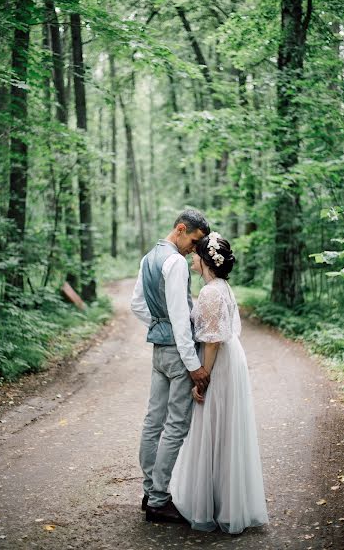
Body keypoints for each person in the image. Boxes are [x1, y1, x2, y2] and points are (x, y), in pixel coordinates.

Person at [170, 232, 269, 534]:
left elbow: (211, 341)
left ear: (205, 260)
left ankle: (214, 504)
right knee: (224, 430)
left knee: (215, 427)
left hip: (220, 362)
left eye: (196, 255)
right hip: (230, 357)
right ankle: (224, 499)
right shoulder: (220, 286)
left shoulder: (212, 292)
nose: (193, 259)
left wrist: (203, 377)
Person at [131, 209, 211, 524]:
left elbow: (136, 304)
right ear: (180, 229)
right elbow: (180, 319)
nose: (195, 248)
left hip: (158, 352)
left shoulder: (149, 257)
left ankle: (150, 492)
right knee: (175, 425)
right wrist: (194, 365)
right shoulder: (176, 263)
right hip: (178, 355)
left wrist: (158, 325)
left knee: (153, 422)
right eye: (194, 240)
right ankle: (159, 501)